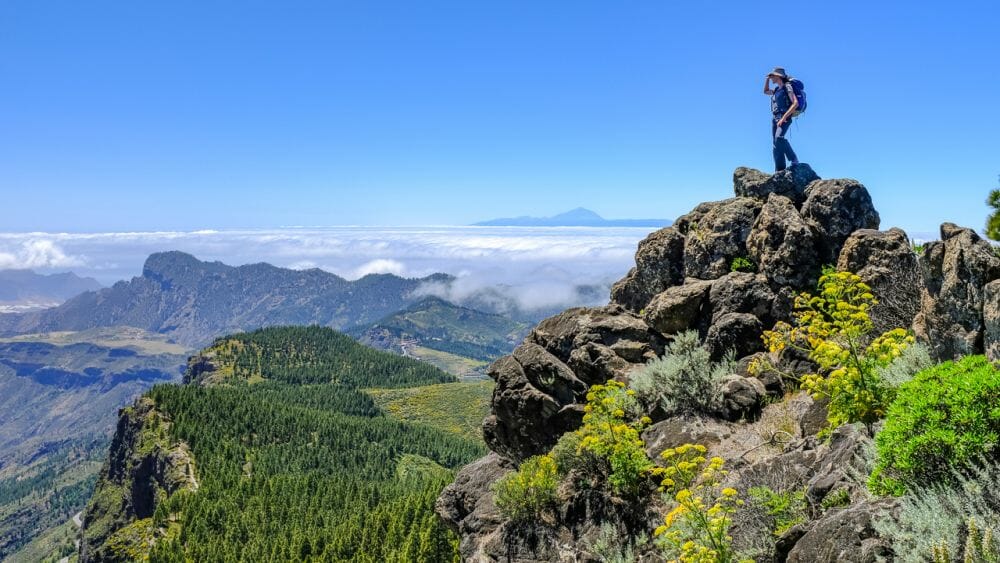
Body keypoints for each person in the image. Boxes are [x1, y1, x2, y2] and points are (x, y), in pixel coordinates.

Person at [762, 67, 800, 172]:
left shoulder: (787, 87)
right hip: (775, 118)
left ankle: (793, 158)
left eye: (772, 76)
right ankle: (780, 170)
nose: (771, 78)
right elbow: (765, 91)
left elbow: (795, 103)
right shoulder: (776, 90)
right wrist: (767, 79)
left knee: (778, 138)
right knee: (776, 144)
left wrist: (784, 117)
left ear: (778, 76)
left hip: (785, 117)